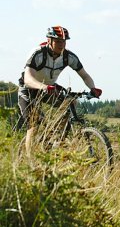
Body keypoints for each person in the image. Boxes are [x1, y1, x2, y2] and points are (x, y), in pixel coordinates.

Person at [18, 26, 102, 158]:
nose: (61, 44)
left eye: (64, 41)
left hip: (50, 87)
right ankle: (30, 162)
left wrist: (93, 88)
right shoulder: (38, 53)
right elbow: (28, 79)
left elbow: (84, 75)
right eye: (58, 41)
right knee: (34, 124)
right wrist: (44, 87)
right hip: (29, 88)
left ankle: (56, 139)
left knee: (71, 103)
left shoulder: (68, 56)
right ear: (49, 40)